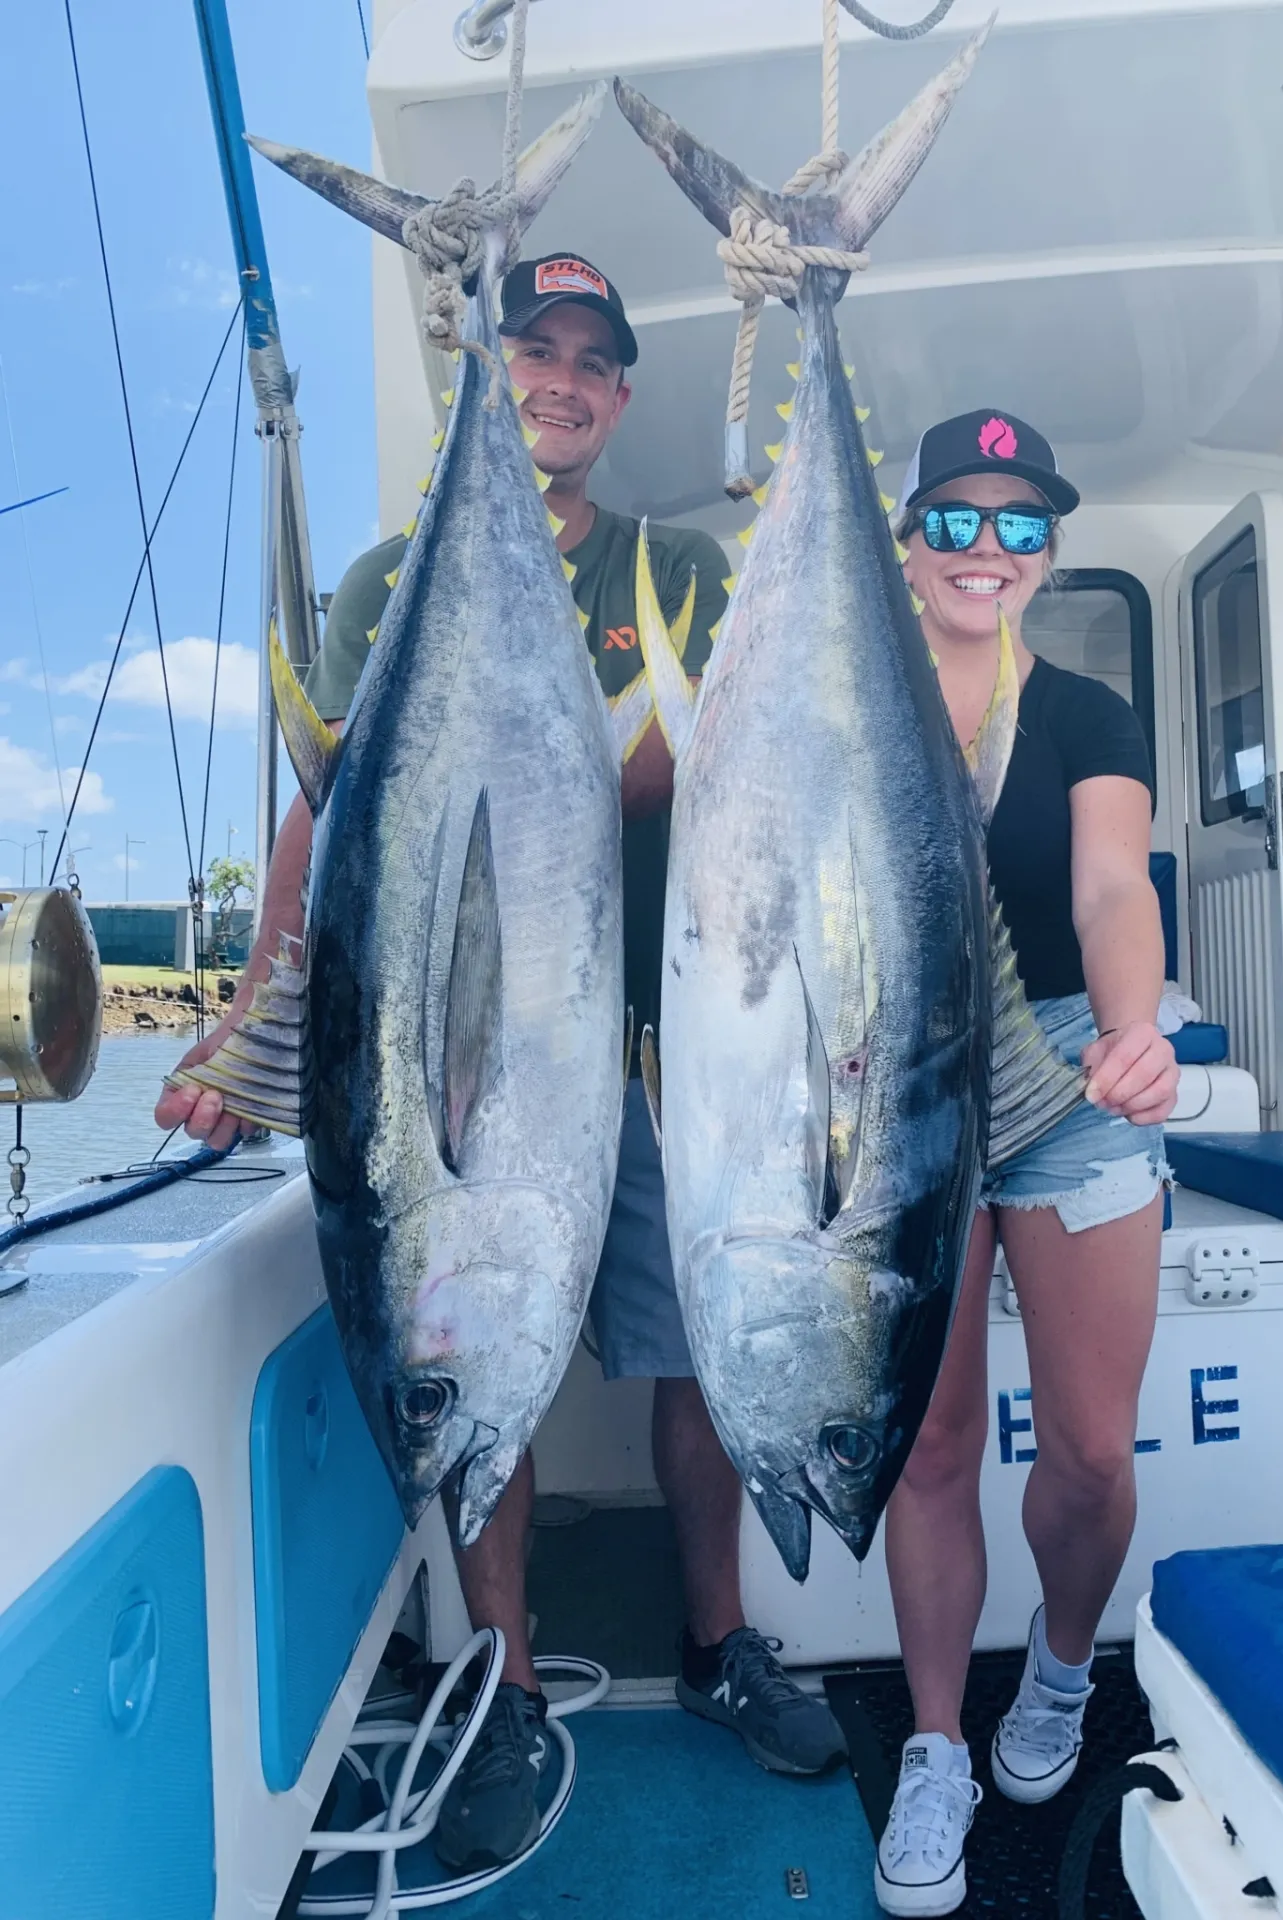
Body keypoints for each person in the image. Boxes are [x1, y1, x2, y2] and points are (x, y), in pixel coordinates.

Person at [155, 252, 846, 1873]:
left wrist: (612, 784)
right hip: (474, 1046)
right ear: (499, 368)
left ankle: (719, 1644)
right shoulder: (395, 578)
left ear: (616, 397)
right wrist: (256, 1025)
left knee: (701, 1347)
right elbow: (326, 825)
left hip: (668, 1055)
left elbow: (754, 753)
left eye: (589, 360)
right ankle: (510, 1686)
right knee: (483, 1338)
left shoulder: (680, 568)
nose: (558, 377)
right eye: (530, 347)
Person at [873, 410, 1179, 1917]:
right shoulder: (855, 705)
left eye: (1017, 524)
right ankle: (935, 1741)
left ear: (1049, 551)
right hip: (899, 1073)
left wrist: (1135, 1030)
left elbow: (1113, 879)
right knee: (927, 1444)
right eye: (956, 517)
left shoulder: (1090, 713)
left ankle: (1058, 1672)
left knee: (1094, 1453)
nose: (983, 549)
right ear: (910, 535)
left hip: (1065, 1072)